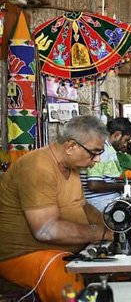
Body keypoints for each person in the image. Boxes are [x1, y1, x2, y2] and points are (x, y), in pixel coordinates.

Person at [0, 115, 111, 302]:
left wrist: (110, 226)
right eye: (94, 153)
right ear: (70, 147)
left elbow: (82, 206)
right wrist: (99, 233)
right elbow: (46, 229)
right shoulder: (38, 167)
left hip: (62, 251)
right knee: (72, 287)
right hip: (24, 255)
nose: (97, 160)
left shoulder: (72, 167)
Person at [80, 117, 131, 212]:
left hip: (107, 202)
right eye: (126, 140)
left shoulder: (108, 149)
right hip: (101, 206)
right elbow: (93, 184)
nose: (126, 145)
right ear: (117, 135)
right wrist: (123, 187)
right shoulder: (102, 149)